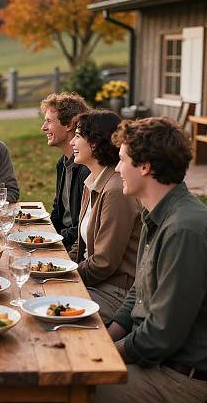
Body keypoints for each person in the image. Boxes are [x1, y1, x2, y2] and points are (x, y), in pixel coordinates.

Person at [97, 117, 207, 403]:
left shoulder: (185, 230)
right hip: (154, 362)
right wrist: (105, 338)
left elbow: (161, 336)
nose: (117, 169)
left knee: (68, 389)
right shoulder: (158, 215)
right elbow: (137, 295)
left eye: (122, 160)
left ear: (145, 167)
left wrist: (104, 355)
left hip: (175, 379)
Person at [68, 110, 141, 324]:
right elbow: (79, 246)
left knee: (48, 306)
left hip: (116, 291)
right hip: (94, 281)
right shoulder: (92, 180)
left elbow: (104, 262)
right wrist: (58, 266)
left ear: (96, 143)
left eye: (78, 136)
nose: (72, 141)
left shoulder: (116, 190)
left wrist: (65, 276)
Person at [40, 93, 90, 249]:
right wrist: (43, 235)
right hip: (64, 240)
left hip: (75, 248)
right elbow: (57, 210)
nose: (44, 128)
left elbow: (84, 226)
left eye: (49, 121)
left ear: (69, 124)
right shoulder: (62, 163)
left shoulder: (87, 169)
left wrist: (53, 240)